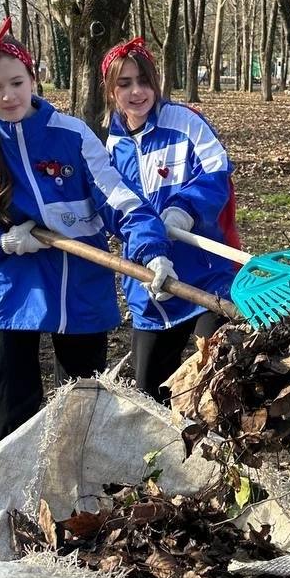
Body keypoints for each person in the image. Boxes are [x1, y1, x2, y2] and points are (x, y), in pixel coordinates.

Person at [0, 19, 177, 448]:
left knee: (83, 406)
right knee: (10, 407)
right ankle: (9, 482)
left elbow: (121, 201)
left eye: (16, 82)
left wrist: (152, 250)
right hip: (14, 289)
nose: (8, 96)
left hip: (82, 285)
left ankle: (79, 484)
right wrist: (3, 243)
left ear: (33, 79)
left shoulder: (73, 135)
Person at [103, 37, 239, 403]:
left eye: (144, 81)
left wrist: (183, 210)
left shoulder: (185, 122)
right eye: (125, 83)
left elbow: (216, 172)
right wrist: (149, 249)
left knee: (218, 385)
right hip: (151, 287)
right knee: (150, 394)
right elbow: (113, 211)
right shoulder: (108, 148)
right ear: (111, 90)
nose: (137, 91)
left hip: (207, 279)